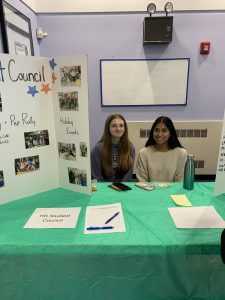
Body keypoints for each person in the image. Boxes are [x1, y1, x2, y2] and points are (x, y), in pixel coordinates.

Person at [136, 116, 187, 182]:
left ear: (170, 133)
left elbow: (180, 182)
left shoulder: (182, 154)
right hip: (149, 192)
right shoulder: (143, 153)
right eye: (156, 130)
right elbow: (142, 182)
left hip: (173, 192)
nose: (159, 134)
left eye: (164, 131)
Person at [91, 113, 135, 182]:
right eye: (114, 126)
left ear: (125, 128)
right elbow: (96, 178)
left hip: (123, 189)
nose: (118, 129)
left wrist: (121, 189)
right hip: (104, 189)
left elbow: (128, 176)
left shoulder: (130, 148)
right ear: (108, 128)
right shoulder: (97, 149)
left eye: (121, 126)